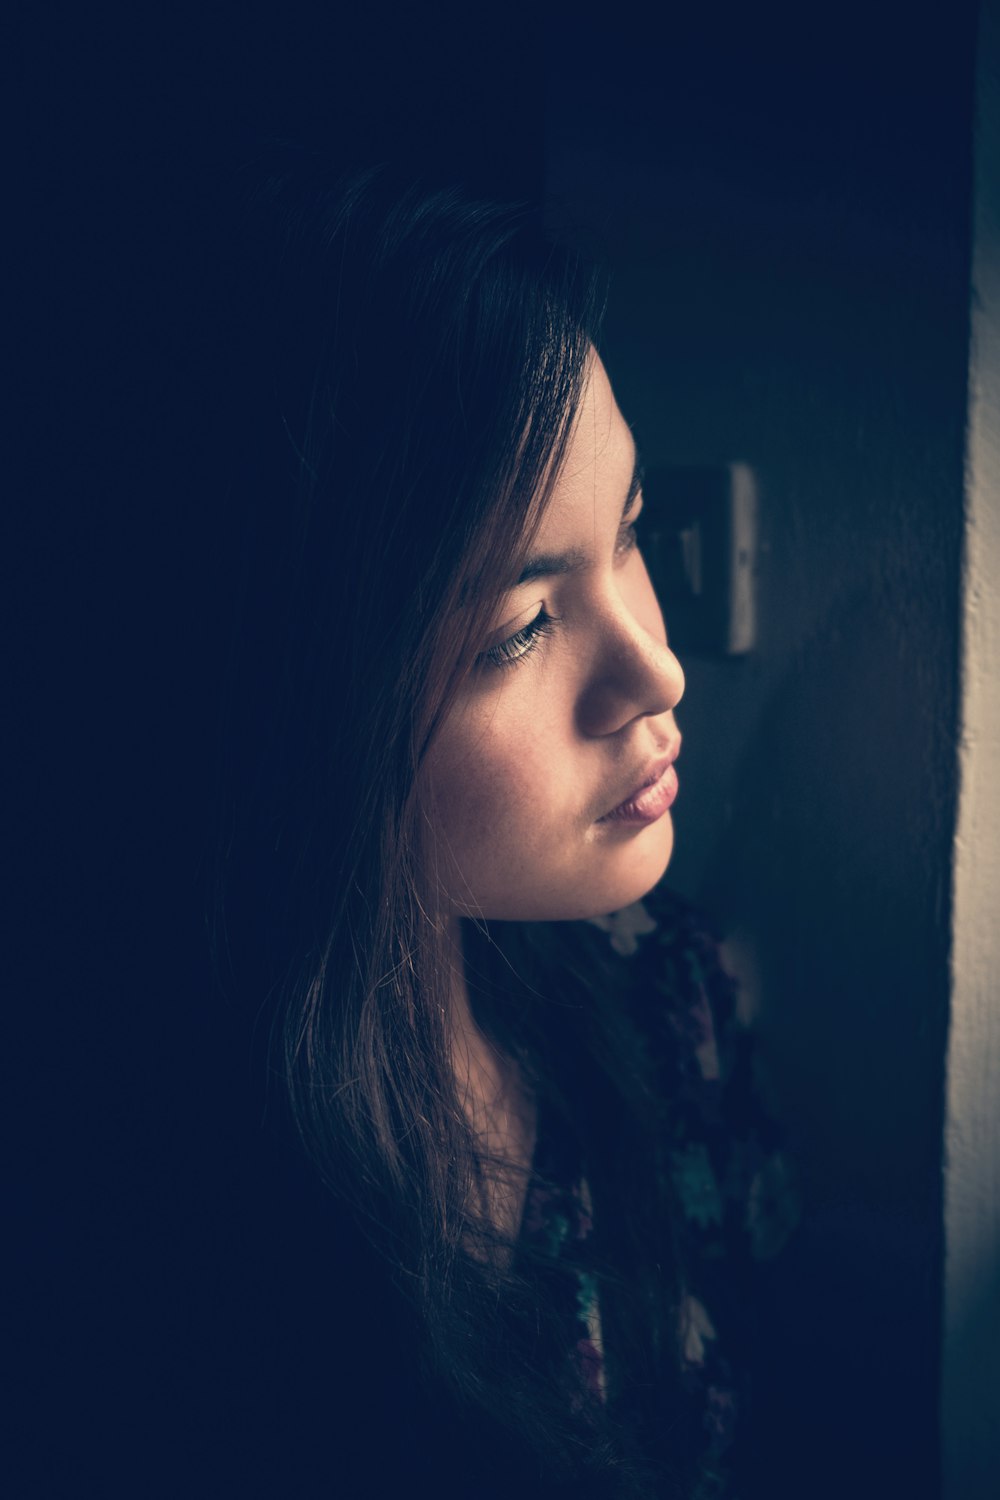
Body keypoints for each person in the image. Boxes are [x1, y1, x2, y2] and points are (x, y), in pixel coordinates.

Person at [210, 156, 792, 1498]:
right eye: (522, 627)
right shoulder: (170, 1230)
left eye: (632, 533)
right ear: (308, 710)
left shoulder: (670, 998)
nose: (657, 668)